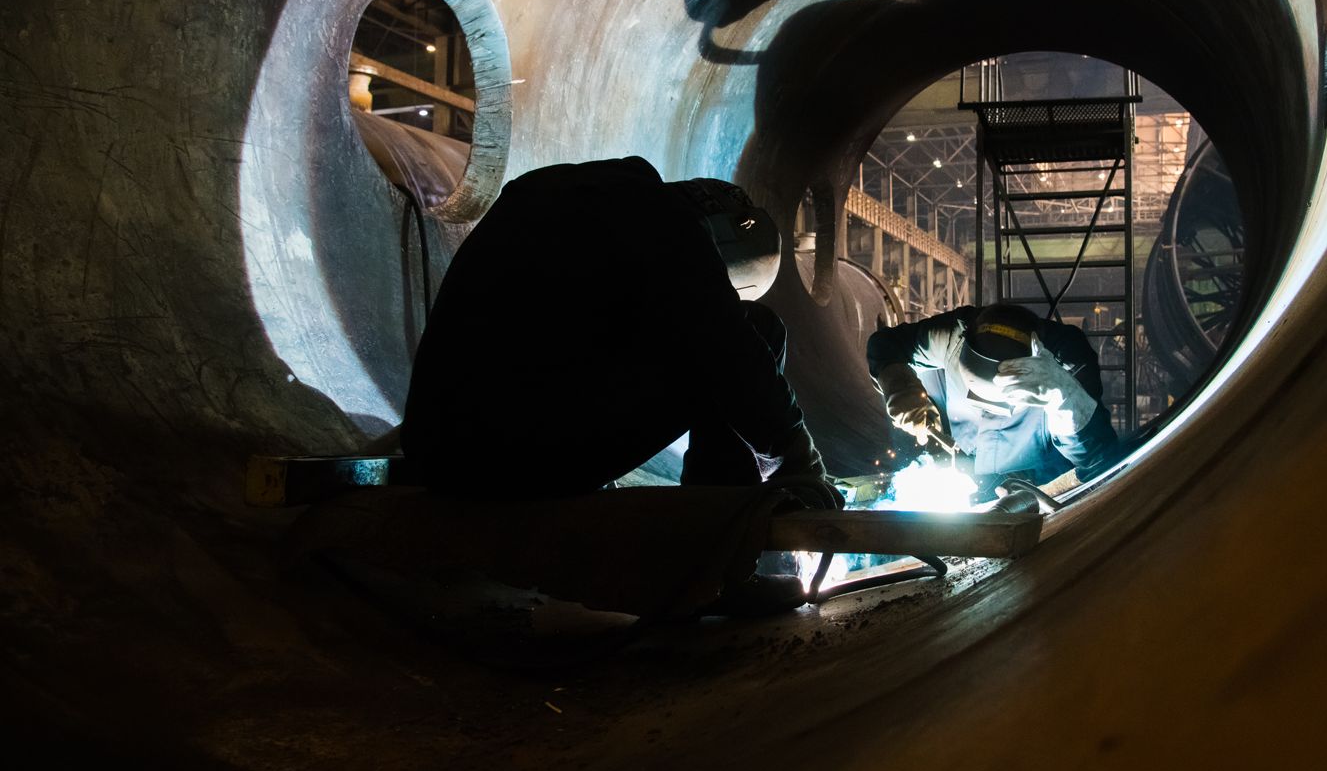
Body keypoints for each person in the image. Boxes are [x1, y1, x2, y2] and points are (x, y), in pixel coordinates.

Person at [403, 156, 840, 509]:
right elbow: (727, 345)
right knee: (756, 331)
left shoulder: (568, 192)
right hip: (505, 461)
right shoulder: (663, 220)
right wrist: (800, 464)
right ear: (721, 236)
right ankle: (717, 534)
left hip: (440, 450)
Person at [866, 303, 1123, 494]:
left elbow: (1098, 461)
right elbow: (886, 344)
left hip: (1040, 480)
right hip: (969, 463)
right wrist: (901, 388)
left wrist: (1065, 398)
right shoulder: (952, 334)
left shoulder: (1066, 359)